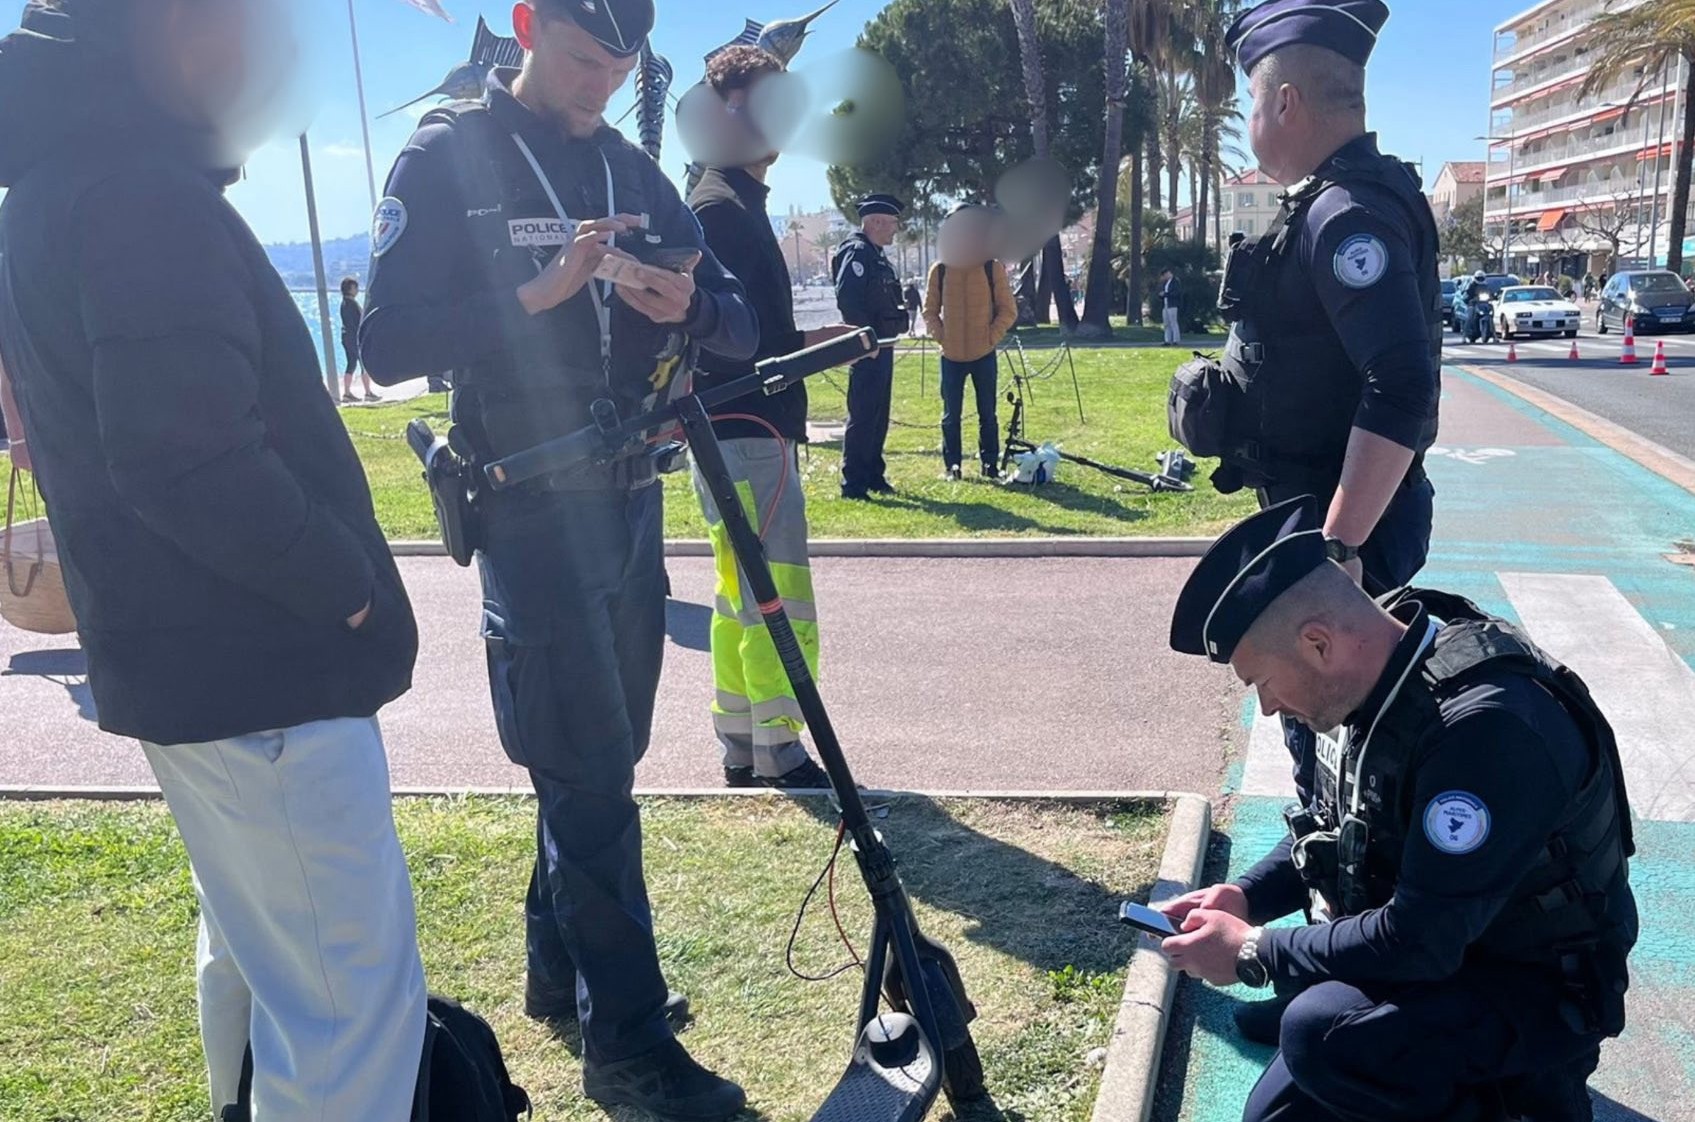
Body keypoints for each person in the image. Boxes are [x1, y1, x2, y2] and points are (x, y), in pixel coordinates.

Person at [0, 2, 427, 1119]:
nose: (256, 51)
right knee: (346, 1020)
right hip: (266, 674)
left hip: (198, 676)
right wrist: (345, 591)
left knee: (262, 963)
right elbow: (184, 457)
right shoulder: (136, 191)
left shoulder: (58, 184)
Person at [359, 1, 757, 1117]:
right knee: (587, 775)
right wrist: (529, 296)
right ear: (529, 26)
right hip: (527, 509)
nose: (600, 84)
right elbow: (382, 343)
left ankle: (558, 977)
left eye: (620, 64)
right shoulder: (447, 155)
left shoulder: (633, 164)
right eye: (584, 58)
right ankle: (626, 1049)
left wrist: (687, 306)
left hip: (631, 501)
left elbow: (737, 321)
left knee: (603, 756)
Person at [1161, 497, 1637, 1122]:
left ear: (1318, 643)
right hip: (1454, 953)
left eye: (1263, 683)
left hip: (1532, 983)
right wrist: (1246, 897)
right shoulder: (1379, 672)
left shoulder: (1485, 732)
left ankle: (1517, 1104)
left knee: (1321, 1033)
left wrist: (1256, 952)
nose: (1270, 707)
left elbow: (1422, 940)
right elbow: (1336, 823)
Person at [1169, 0, 1443, 1043]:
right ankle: (1335, 984)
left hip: (1341, 552)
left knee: (1344, 764)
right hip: (1333, 537)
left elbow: (1402, 385)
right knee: (1335, 764)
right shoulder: (1339, 205)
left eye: (1250, 98)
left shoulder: (1343, 216)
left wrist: (1332, 552)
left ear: (1284, 97)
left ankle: (1339, 997)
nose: (1248, 118)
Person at [685, 45, 861, 790]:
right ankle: (779, 748)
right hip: (746, 429)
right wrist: (821, 347)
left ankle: (742, 741)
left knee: (739, 591)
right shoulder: (719, 209)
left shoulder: (727, 201)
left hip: (736, 428)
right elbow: (734, 341)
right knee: (774, 592)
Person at [924, 205, 1016, 480]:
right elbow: (929, 311)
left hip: (983, 354)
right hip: (950, 356)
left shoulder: (992, 267)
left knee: (988, 413)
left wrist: (990, 337)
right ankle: (953, 466)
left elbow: (1008, 310)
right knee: (950, 416)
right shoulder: (939, 269)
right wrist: (941, 335)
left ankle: (990, 464)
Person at [833, 194, 911, 499]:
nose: (895, 229)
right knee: (864, 414)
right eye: (892, 223)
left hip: (883, 345)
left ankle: (873, 475)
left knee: (878, 415)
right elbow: (848, 300)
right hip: (869, 348)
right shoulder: (857, 252)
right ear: (875, 221)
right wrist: (864, 340)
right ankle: (853, 483)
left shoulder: (875, 254)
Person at [340, 276, 380, 404]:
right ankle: (368, 392)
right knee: (364, 364)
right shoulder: (352, 304)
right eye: (355, 287)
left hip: (346, 337)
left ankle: (347, 392)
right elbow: (360, 321)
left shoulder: (344, 303)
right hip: (354, 338)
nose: (357, 290)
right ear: (351, 289)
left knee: (351, 364)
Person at [1160, 267, 1183, 345]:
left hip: (1172, 305)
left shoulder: (1175, 282)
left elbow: (1176, 293)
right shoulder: (1166, 283)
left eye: (1165, 274)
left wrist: (1166, 294)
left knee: (1173, 322)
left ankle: (1176, 340)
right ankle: (1167, 340)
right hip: (1166, 304)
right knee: (1166, 324)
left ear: (1169, 273)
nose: (1164, 277)